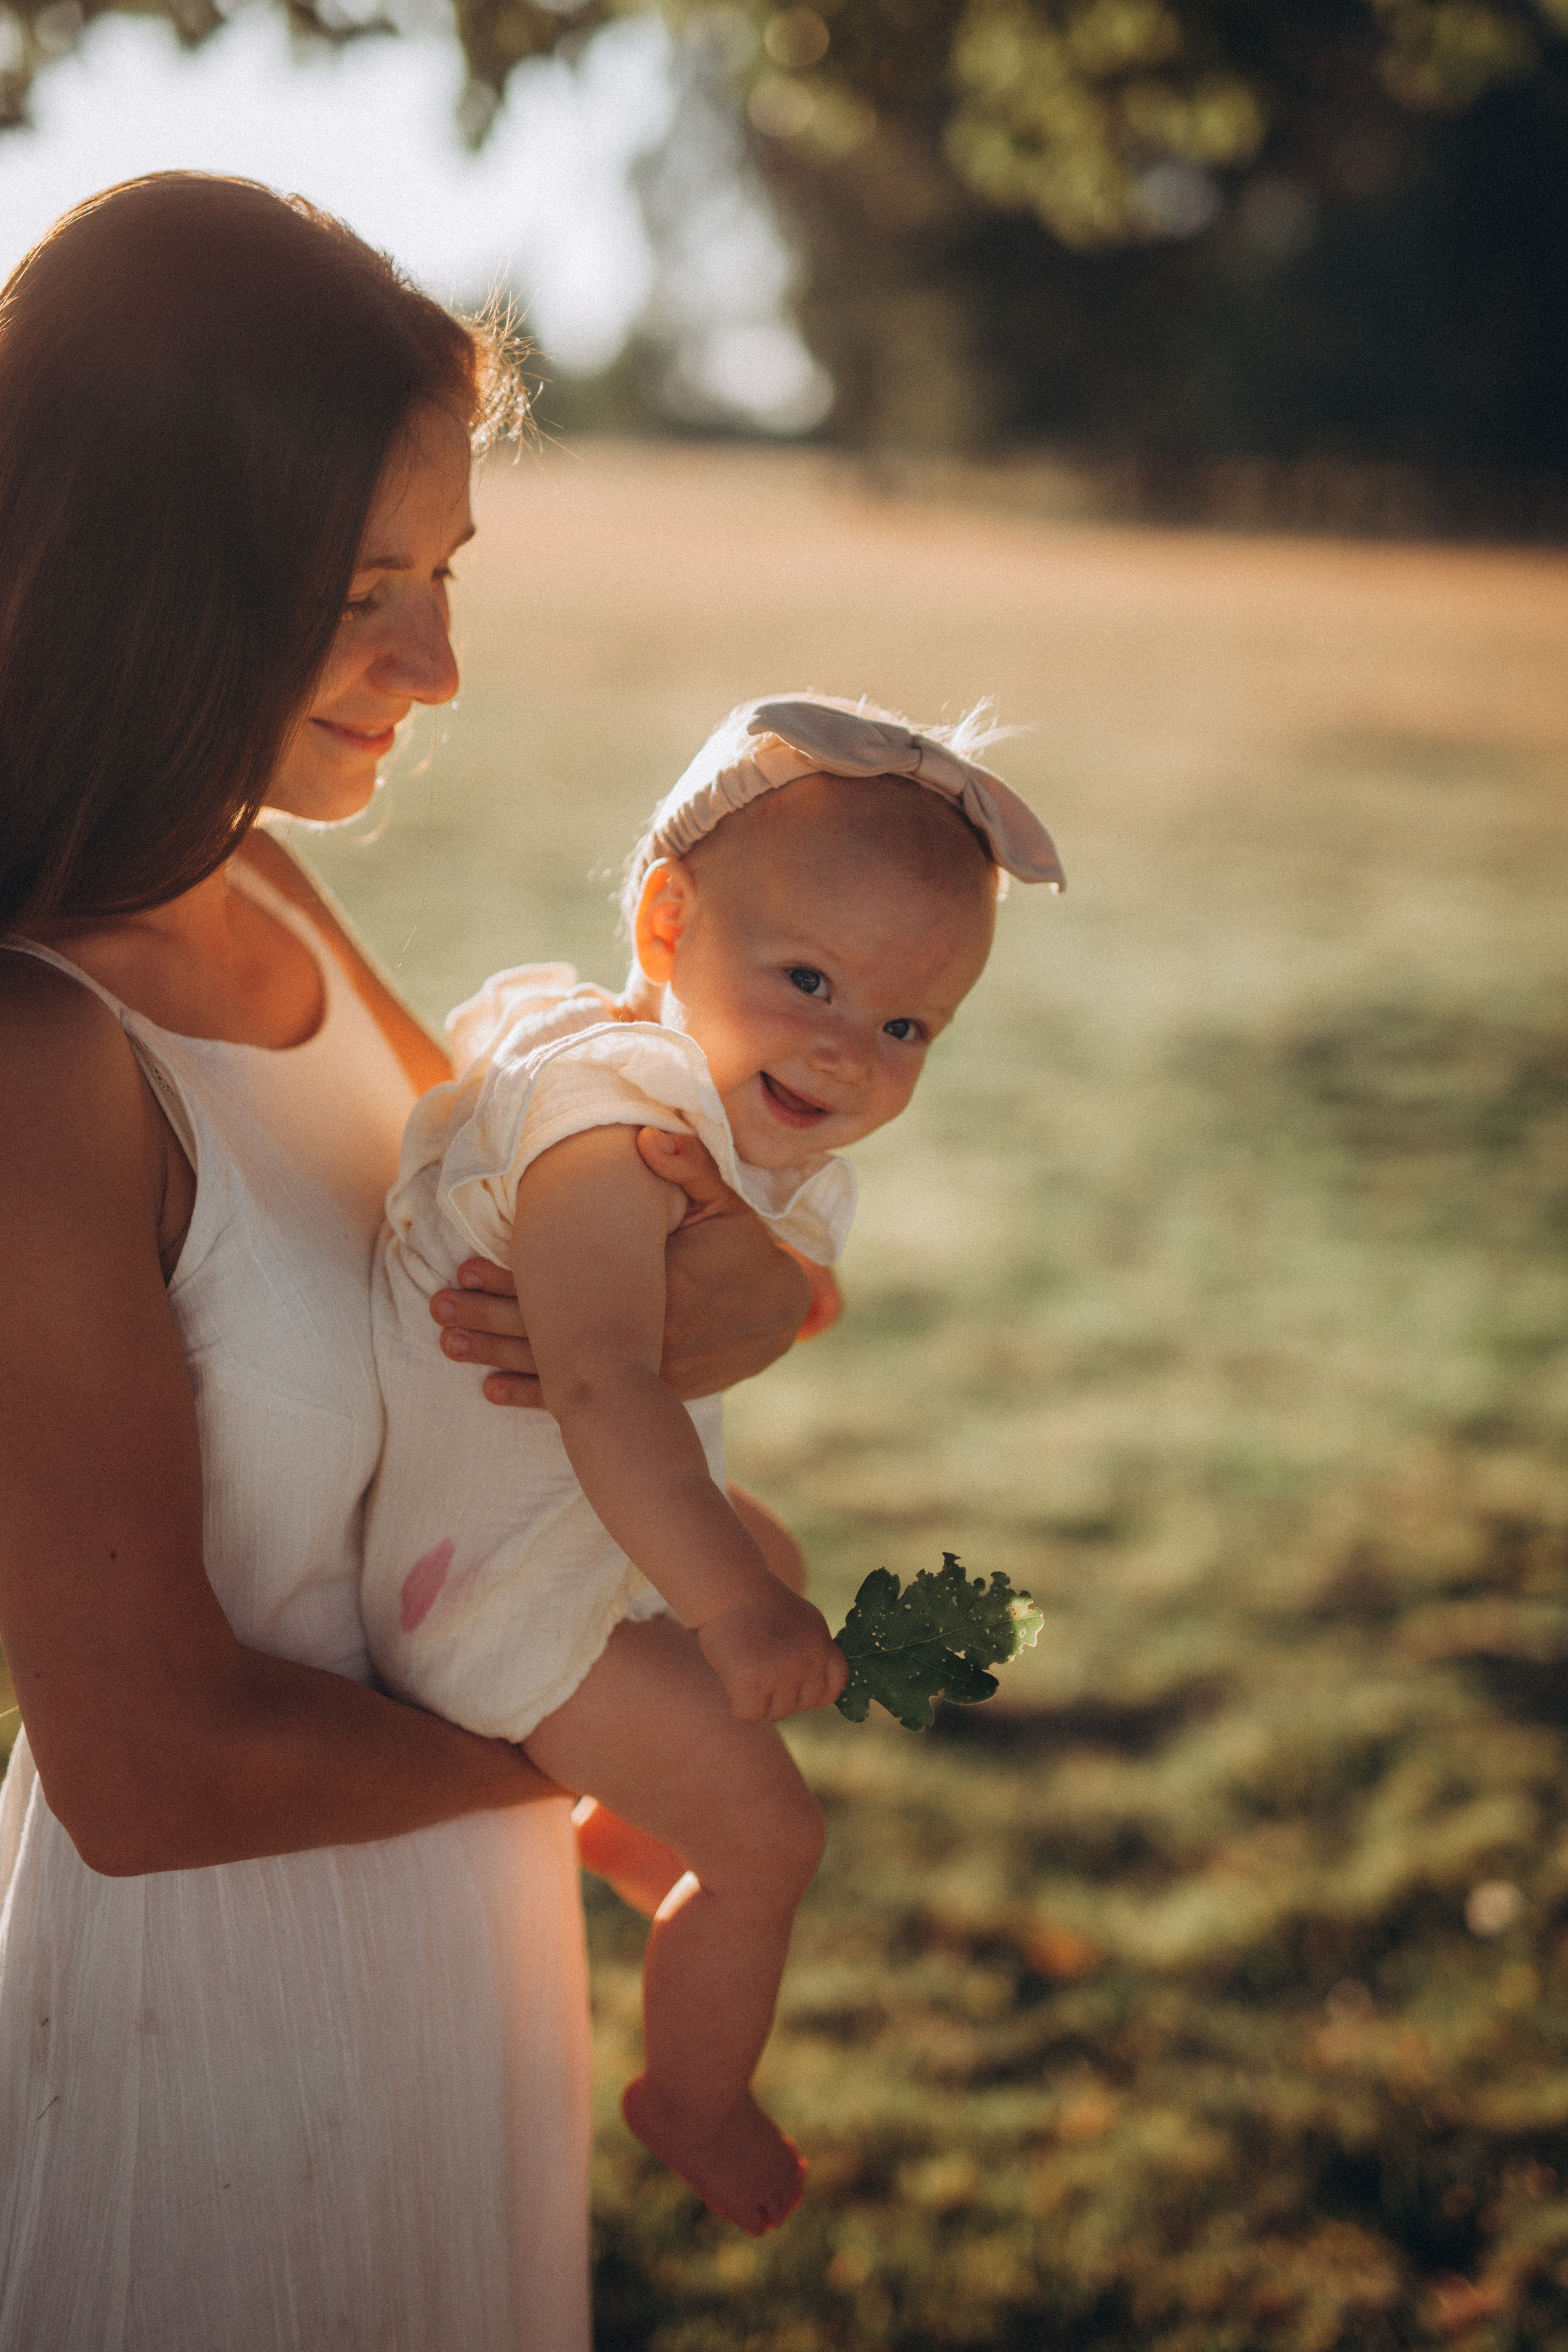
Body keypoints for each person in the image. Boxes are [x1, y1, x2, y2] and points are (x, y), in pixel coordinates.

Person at [0, 173, 815, 2352]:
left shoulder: (254, 884)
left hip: (465, 1974)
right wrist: (609, 1755)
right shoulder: (37, 1060)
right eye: (366, 589)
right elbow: (148, 1770)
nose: (439, 665)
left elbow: (512, 1304)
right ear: (157, 577)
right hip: (224, 2037)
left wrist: (751, 1279)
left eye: (443, 575)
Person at [362, 695, 1065, 2236]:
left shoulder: (696, 1101)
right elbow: (607, 1388)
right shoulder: (613, 1127)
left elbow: (705, 1350)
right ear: (666, 921)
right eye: (806, 978)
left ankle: (606, 1803)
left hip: (540, 1539)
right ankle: (689, 2097)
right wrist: (733, 1613)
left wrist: (754, 1579)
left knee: (781, 1559)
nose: (845, 1049)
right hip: (490, 1598)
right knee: (772, 1834)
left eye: (904, 1025)